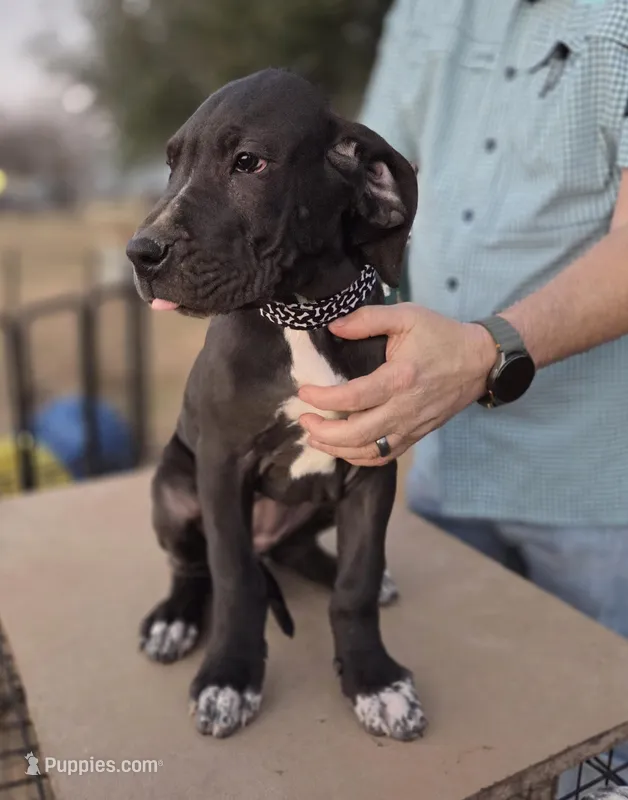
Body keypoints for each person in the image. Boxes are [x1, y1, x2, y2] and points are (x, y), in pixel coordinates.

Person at [299, 1, 628, 644]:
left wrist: (487, 351)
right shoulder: (426, 9)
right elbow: (361, 186)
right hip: (444, 468)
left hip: (596, 491)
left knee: (599, 729)